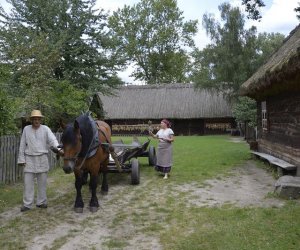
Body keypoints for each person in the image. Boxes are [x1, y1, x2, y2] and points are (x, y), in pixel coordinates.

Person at [17, 110, 61, 212]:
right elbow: (22, 144)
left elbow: (52, 140)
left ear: (41, 120)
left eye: (38, 119)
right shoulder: (26, 129)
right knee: (28, 183)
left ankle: (41, 202)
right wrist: (21, 159)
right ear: (31, 120)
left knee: (42, 182)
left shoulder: (45, 129)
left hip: (42, 158)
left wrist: (58, 149)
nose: (36, 120)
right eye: (34, 119)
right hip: (29, 159)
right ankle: (27, 204)